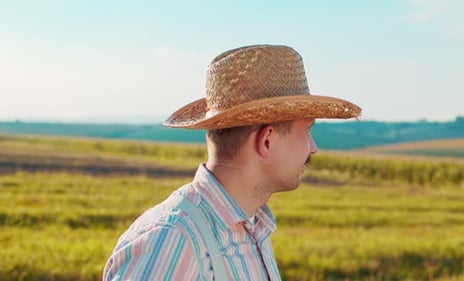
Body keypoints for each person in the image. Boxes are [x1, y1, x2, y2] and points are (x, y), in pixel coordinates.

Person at [103, 44, 361, 280]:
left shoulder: (253, 228)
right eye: (306, 132)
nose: (313, 148)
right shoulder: (173, 242)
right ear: (267, 140)